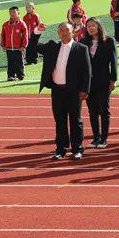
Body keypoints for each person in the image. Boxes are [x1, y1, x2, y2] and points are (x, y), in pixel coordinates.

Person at [38, 22, 91, 160]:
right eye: (60, 30)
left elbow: (87, 71)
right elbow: (31, 48)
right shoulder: (52, 47)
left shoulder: (81, 48)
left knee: (75, 121)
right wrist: (37, 32)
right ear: (57, 33)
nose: (63, 32)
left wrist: (84, 90)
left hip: (74, 91)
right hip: (57, 90)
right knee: (60, 121)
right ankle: (60, 149)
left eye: (66, 30)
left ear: (73, 31)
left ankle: (77, 149)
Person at [79, 18, 117, 149]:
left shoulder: (108, 41)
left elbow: (114, 61)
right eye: (88, 26)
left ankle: (104, 139)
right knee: (92, 111)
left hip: (104, 81)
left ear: (98, 26)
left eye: (93, 26)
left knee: (104, 110)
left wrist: (113, 79)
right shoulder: (83, 42)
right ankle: (96, 137)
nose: (90, 28)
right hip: (88, 82)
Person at [0, 6, 29, 81]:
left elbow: (25, 36)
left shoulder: (22, 24)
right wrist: (3, 45)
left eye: (14, 12)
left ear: (18, 13)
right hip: (9, 47)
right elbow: (2, 35)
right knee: (10, 62)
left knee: (19, 62)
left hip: (18, 48)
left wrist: (23, 46)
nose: (12, 14)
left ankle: (20, 76)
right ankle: (11, 76)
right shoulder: (5, 24)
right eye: (10, 13)